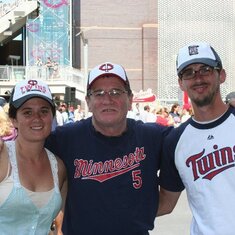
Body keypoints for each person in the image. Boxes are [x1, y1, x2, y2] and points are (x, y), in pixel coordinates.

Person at [45, 62, 171, 235]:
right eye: (98, 93)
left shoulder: (154, 137)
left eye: (116, 92)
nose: (107, 100)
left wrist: (135, 215)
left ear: (130, 100)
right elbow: (25, 150)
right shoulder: (65, 138)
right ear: (88, 101)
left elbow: (193, 139)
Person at [158, 42, 235, 235]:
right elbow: (166, 202)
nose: (198, 78)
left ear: (221, 75)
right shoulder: (175, 141)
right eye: (188, 72)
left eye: (205, 69)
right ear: (181, 83)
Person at [0, 79, 67, 234]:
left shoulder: (58, 167)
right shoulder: (3, 156)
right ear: (14, 119)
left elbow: (60, 228)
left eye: (44, 111)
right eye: (27, 112)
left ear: (52, 117)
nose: (37, 118)